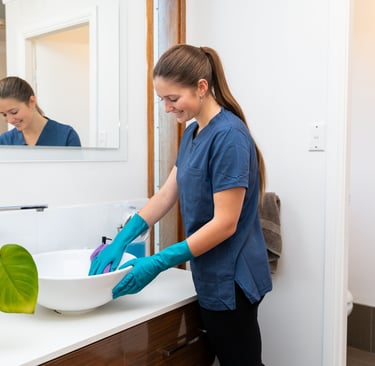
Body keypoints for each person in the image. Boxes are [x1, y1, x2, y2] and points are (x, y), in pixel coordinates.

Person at [89, 44, 272, 366]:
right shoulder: (193, 133)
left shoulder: (229, 136)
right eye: (163, 99)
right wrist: (122, 238)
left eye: (173, 99)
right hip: (209, 271)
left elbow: (225, 223)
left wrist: (158, 261)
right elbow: (165, 195)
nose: (167, 108)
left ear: (202, 87)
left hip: (232, 278)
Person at [0, 76, 81, 146]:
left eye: (14, 112)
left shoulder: (66, 136)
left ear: (32, 101)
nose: (10, 120)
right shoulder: (4, 142)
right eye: (4, 114)